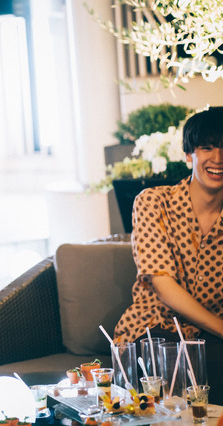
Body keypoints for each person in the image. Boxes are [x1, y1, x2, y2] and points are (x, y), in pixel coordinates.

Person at [114, 107, 223, 404]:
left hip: (209, 338)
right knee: (192, 369)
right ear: (189, 154)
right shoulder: (153, 202)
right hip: (155, 330)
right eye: (207, 147)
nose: (218, 158)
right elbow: (163, 287)